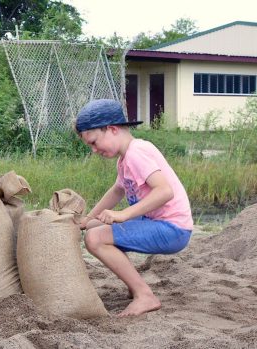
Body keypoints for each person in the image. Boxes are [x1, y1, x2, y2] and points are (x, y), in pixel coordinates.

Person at [75, 99, 192, 317]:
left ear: (112, 129)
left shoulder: (137, 152)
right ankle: (134, 287)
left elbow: (165, 191)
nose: (93, 150)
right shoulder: (125, 159)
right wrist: (88, 218)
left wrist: (123, 214)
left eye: (94, 142)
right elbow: (117, 191)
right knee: (93, 228)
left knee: (95, 238)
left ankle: (144, 295)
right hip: (156, 223)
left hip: (172, 228)